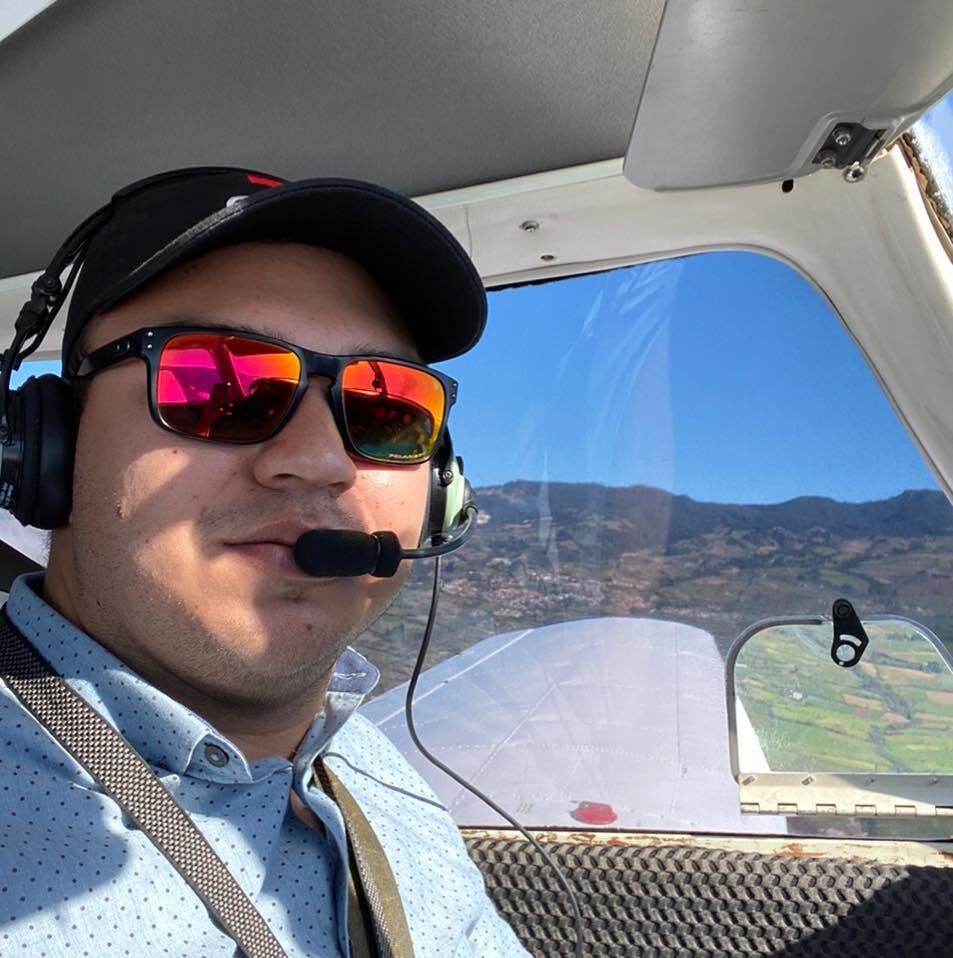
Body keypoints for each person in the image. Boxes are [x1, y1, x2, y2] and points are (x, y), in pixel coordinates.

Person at [0, 167, 528, 957]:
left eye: (386, 409)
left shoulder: (378, 778)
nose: (320, 461)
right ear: (46, 446)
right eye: (220, 383)